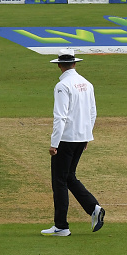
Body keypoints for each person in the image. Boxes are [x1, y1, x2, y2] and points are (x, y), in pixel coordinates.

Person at [41, 48, 105, 237]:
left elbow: (60, 116)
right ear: (74, 64)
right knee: (69, 177)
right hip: (80, 137)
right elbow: (92, 112)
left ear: (60, 65)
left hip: (66, 139)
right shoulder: (87, 83)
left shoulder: (62, 86)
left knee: (59, 181)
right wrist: (86, 136)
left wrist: (54, 143)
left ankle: (61, 226)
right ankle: (93, 208)